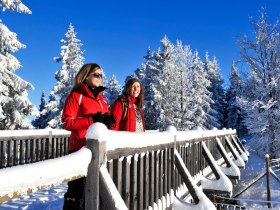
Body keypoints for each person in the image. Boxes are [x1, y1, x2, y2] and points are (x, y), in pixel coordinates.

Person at [61, 63, 115, 210]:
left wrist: (110, 122)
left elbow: (103, 125)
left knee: (95, 190)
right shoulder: (76, 96)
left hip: (99, 151)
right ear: (85, 76)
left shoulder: (102, 100)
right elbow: (67, 122)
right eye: (96, 75)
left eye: (101, 75)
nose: (100, 78)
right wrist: (91, 120)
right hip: (80, 149)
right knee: (77, 191)